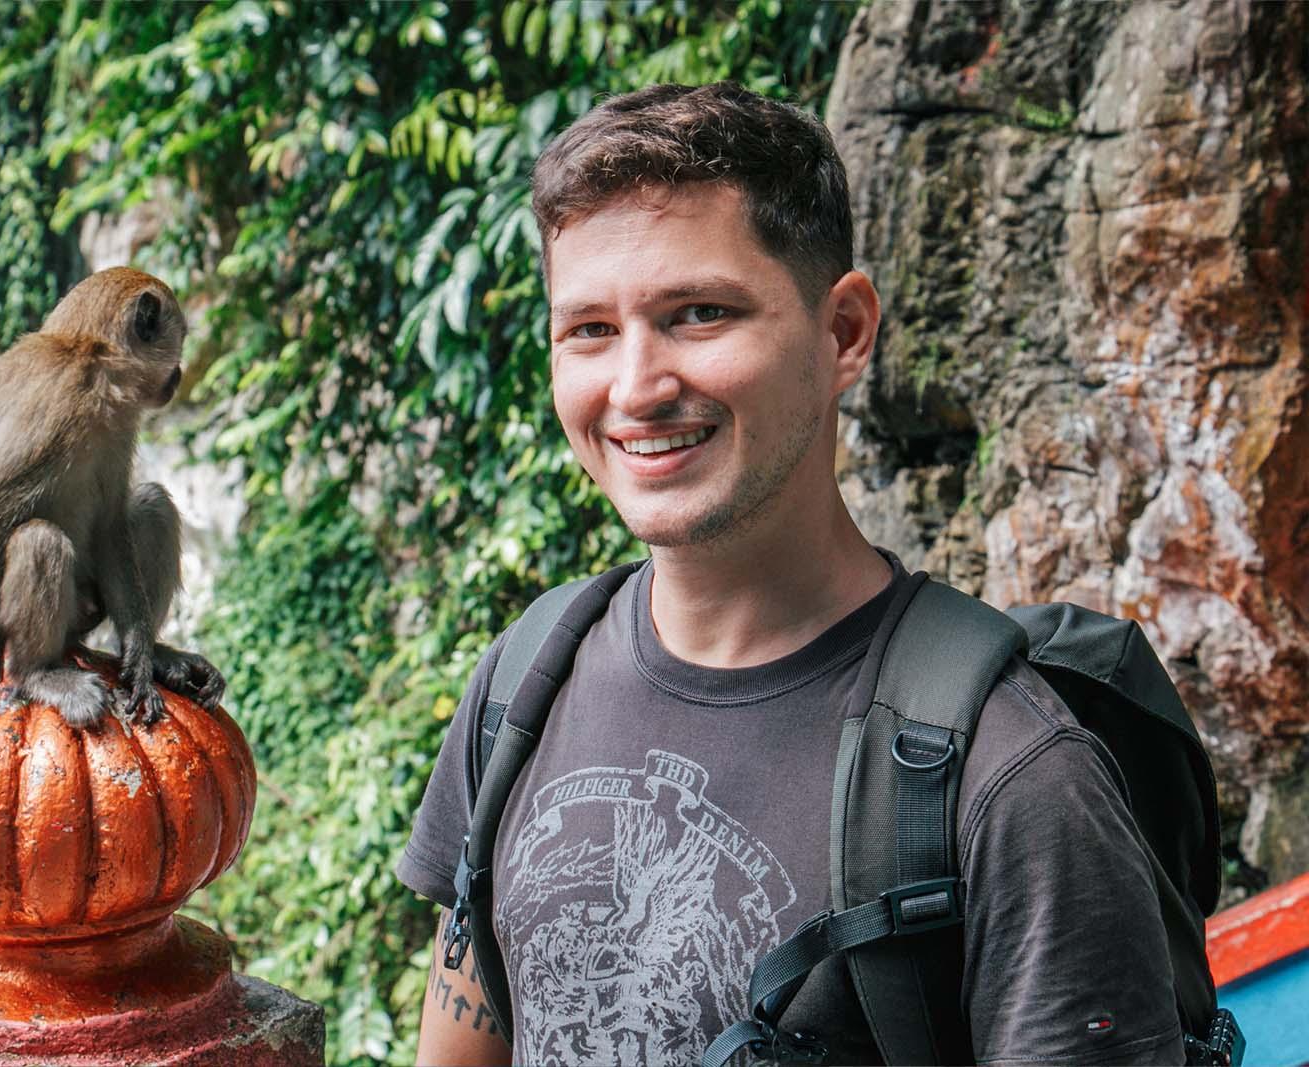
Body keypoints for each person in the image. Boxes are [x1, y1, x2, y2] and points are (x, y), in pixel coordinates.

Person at [396, 82, 1185, 1066]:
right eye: (589, 328)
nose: (636, 387)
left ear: (844, 331)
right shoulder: (522, 683)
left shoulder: (1015, 782)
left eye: (698, 313)